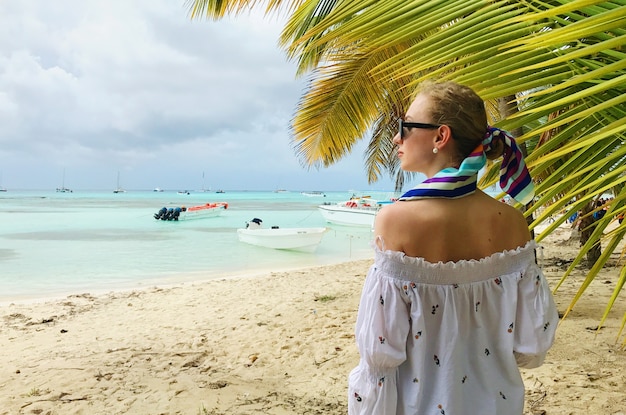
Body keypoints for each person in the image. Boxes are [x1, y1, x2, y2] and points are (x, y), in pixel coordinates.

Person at [348, 81, 558, 415]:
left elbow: (380, 351)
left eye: (405, 127)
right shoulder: (513, 222)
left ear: (440, 136)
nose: (396, 138)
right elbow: (531, 345)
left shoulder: (395, 221)